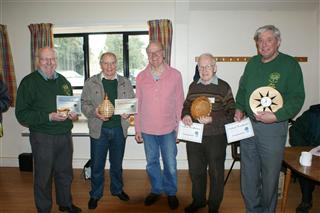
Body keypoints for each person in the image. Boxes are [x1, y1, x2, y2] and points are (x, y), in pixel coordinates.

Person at [234, 25, 305, 213]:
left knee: (270, 176)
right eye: (260, 40)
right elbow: (243, 90)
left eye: (269, 40)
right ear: (256, 43)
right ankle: (252, 210)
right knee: (248, 175)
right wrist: (239, 108)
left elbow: (297, 98)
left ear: (278, 42)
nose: (264, 44)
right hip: (248, 126)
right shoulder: (252, 63)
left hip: (273, 129)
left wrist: (276, 116)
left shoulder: (290, 65)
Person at [15, 47, 81, 213]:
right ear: (38, 60)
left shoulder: (64, 81)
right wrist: (48, 116)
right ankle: (44, 209)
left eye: (52, 59)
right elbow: (22, 114)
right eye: (45, 59)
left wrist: (74, 115)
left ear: (56, 60)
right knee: (43, 176)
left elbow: (71, 107)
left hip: (65, 134)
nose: (49, 63)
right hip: (43, 136)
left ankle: (65, 203)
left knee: (65, 172)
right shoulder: (29, 82)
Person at [181, 53, 235, 213]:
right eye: (201, 67)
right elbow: (186, 106)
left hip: (216, 137)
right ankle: (199, 201)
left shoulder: (224, 87)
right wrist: (185, 115)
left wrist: (213, 121)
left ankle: (213, 206)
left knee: (216, 173)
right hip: (194, 136)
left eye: (208, 66)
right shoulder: (193, 86)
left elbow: (232, 113)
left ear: (215, 67)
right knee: (196, 171)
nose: (204, 70)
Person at [134, 40, 184, 210]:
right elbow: (138, 105)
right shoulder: (141, 76)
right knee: (152, 162)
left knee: (170, 162)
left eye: (157, 52)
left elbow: (179, 103)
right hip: (147, 130)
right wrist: (137, 128)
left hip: (168, 128)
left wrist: (180, 129)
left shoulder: (175, 75)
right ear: (147, 55)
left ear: (163, 53)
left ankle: (171, 192)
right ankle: (156, 189)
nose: (154, 56)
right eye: (150, 53)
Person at [81, 52, 135, 210]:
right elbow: (84, 104)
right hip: (99, 130)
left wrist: (129, 112)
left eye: (112, 63)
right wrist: (94, 112)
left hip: (119, 129)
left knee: (116, 164)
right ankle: (95, 194)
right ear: (100, 64)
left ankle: (117, 190)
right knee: (97, 165)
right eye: (106, 63)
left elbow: (131, 103)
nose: (109, 66)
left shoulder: (125, 82)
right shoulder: (91, 82)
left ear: (116, 64)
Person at [289, 104, 320, 213]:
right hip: (312, 153)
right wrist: (305, 149)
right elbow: (295, 130)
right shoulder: (313, 114)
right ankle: (306, 201)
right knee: (306, 166)